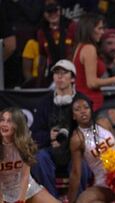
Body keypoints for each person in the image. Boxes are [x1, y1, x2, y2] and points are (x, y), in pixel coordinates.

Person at [30, 59, 91, 198]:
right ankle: (50, 199)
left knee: (81, 163)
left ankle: (78, 199)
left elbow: (90, 129)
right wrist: (49, 137)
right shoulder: (44, 102)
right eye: (57, 73)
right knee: (39, 158)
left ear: (73, 78)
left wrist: (71, 141)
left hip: (74, 150)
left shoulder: (83, 101)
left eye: (64, 73)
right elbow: (34, 134)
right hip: (51, 149)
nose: (60, 76)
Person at [73, 13, 115, 112]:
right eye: (99, 28)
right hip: (89, 103)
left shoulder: (80, 46)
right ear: (90, 29)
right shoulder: (89, 48)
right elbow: (91, 83)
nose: (102, 32)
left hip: (85, 102)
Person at [0, 107, 60, 203]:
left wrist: (21, 200)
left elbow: (25, 176)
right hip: (2, 192)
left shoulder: (24, 143)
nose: (4, 124)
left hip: (26, 188)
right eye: (2, 120)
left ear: (17, 125)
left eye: (9, 121)